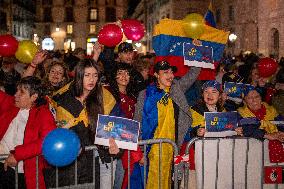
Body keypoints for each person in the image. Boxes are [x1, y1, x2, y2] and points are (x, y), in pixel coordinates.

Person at [44, 59, 122, 189]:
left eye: (95, 75)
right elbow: (61, 133)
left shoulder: (105, 97)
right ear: (79, 76)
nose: (92, 79)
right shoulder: (64, 101)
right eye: (87, 75)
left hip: (104, 159)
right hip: (74, 166)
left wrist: (117, 146)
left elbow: (118, 125)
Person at [134, 60, 201, 189]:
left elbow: (192, 74)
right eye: (165, 72)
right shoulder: (145, 94)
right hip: (151, 150)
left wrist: (196, 53)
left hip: (173, 148)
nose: (170, 75)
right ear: (156, 75)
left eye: (171, 72)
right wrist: (140, 151)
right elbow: (138, 122)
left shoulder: (176, 89)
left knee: (169, 183)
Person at [0, 76, 57, 189]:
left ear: (33, 97)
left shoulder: (43, 114)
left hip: (22, 172)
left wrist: (17, 155)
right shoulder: (12, 105)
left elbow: (47, 141)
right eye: (17, 90)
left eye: (21, 92)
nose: (16, 94)